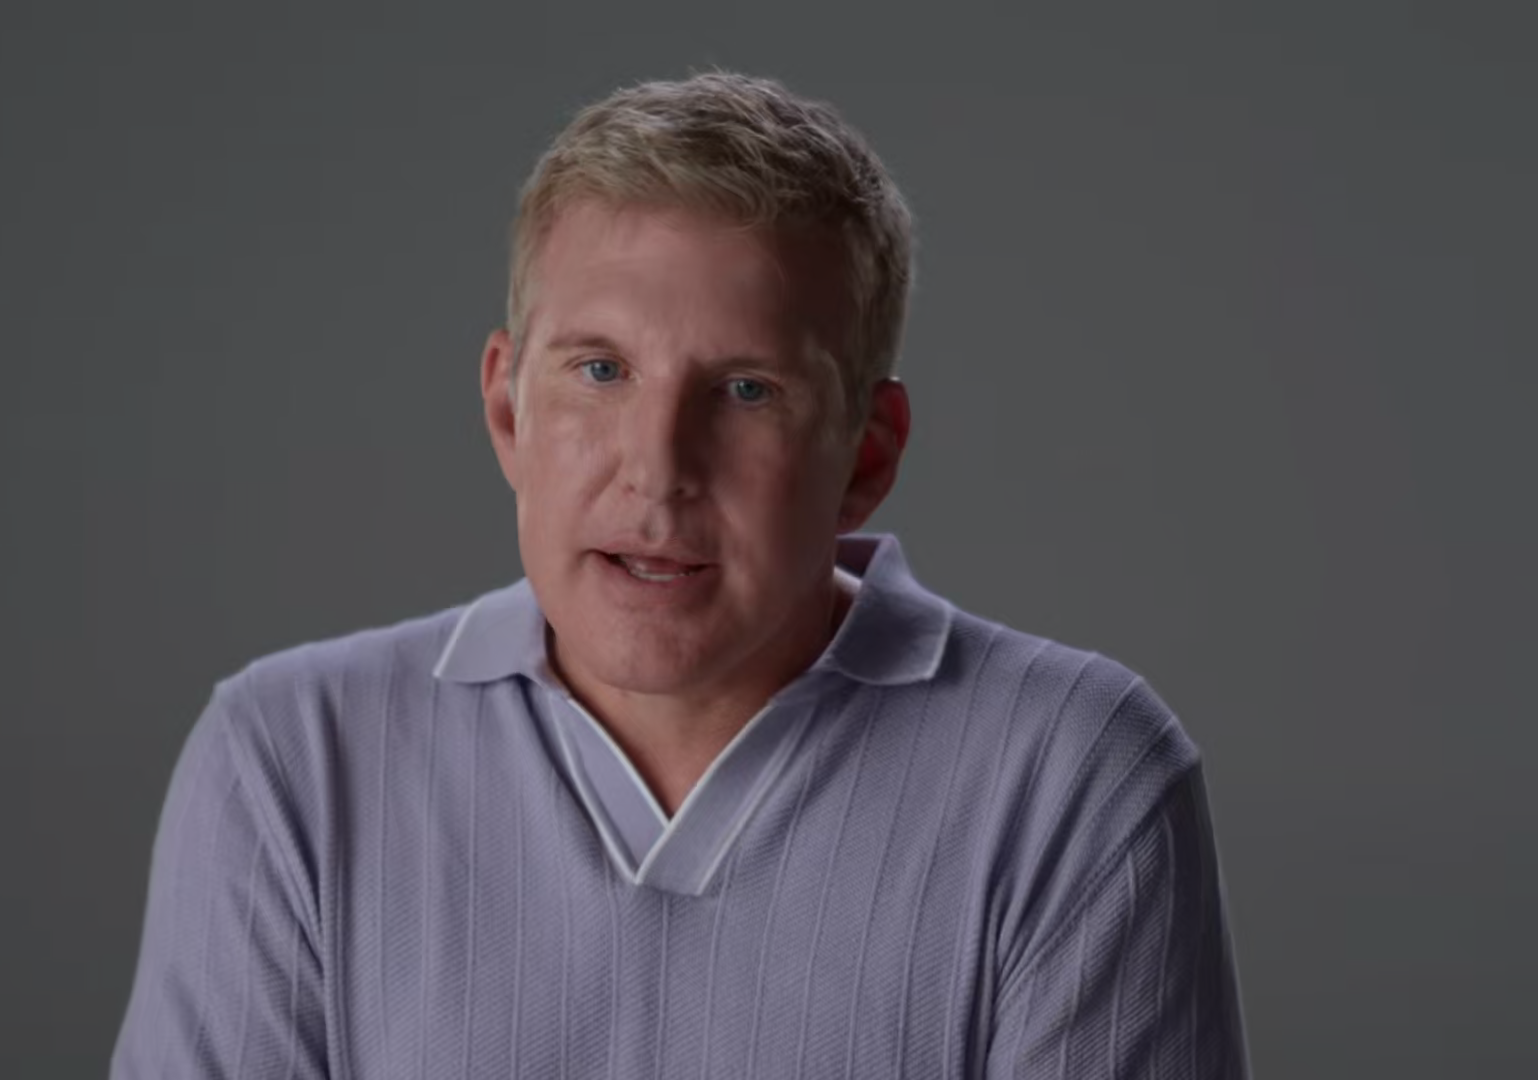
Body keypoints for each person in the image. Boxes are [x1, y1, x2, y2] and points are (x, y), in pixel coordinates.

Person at [111, 71, 1251, 1079]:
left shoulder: (1073, 780)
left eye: (748, 391)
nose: (657, 471)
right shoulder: (289, 764)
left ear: (866, 456)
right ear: (508, 410)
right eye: (600, 370)